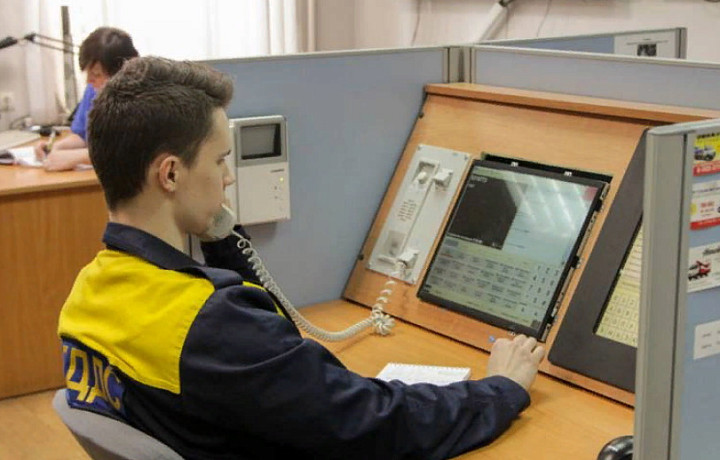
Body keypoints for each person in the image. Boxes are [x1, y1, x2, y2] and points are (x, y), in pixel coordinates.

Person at [58, 56, 545, 460]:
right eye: (220, 159)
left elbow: (268, 351)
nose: (228, 178)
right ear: (170, 174)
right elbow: (371, 422)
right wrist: (501, 389)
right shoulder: (211, 324)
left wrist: (223, 239)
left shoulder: (90, 295)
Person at [34, 27, 138, 171]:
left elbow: (128, 153)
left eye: (96, 74)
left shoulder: (142, 98)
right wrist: (54, 148)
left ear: (123, 71)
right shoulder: (94, 89)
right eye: (88, 73)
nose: (89, 80)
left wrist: (76, 157)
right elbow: (82, 135)